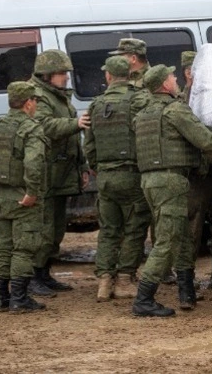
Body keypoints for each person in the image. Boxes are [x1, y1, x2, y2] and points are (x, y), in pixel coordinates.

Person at [131, 65, 212, 317]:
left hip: (150, 181)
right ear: (164, 85)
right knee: (168, 240)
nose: (175, 79)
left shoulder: (143, 114)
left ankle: (185, 292)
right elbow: (207, 140)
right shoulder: (174, 110)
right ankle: (144, 298)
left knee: (180, 236)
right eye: (171, 77)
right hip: (171, 182)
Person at [0, 82, 48, 313]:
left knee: (2, 248)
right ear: (28, 103)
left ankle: (1, 298)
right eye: (35, 100)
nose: (36, 105)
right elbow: (33, 164)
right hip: (22, 198)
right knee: (23, 248)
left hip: (0, 198)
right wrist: (32, 192)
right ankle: (20, 299)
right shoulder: (31, 129)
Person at [83, 56, 151, 302]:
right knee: (134, 228)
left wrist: (98, 168)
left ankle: (104, 281)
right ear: (129, 75)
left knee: (109, 230)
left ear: (108, 76)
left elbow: (88, 147)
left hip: (106, 178)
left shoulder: (96, 105)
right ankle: (124, 279)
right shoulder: (139, 100)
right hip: (132, 175)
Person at [28, 49, 91, 297]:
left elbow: (74, 141)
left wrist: (82, 166)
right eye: (61, 73)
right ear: (47, 75)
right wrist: (74, 124)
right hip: (46, 173)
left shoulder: (59, 96)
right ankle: (33, 276)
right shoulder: (38, 96)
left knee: (56, 229)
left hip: (62, 172)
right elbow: (44, 126)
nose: (66, 77)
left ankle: (45, 274)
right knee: (43, 228)